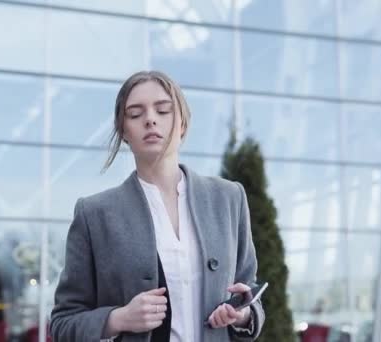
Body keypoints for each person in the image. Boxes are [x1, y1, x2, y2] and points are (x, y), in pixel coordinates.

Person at [50, 71, 265, 341]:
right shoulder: (94, 214)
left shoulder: (229, 198)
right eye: (135, 114)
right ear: (123, 131)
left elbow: (250, 294)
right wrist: (118, 318)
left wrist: (242, 314)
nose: (150, 119)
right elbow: (62, 323)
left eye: (163, 110)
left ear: (182, 124)